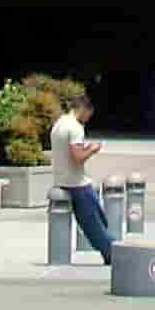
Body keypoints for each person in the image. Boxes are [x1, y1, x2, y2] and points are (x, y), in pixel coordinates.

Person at [48, 94, 113, 261]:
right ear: (84, 109)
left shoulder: (59, 123)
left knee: (92, 222)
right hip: (77, 183)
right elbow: (77, 157)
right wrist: (93, 148)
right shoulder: (75, 127)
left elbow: (67, 152)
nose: (89, 118)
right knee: (96, 223)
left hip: (61, 179)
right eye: (89, 114)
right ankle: (113, 254)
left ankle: (109, 251)